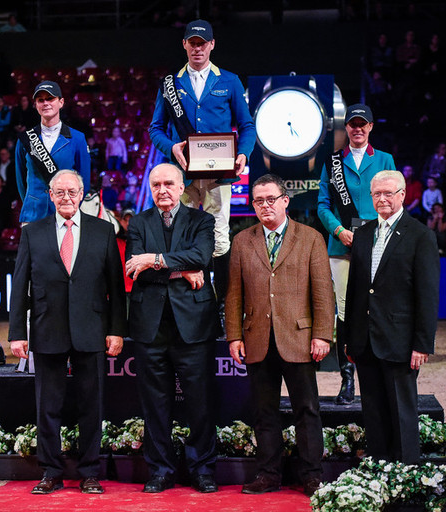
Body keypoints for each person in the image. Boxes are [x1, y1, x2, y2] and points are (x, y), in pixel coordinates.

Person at [9, 169, 126, 495]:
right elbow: (20, 285)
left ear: (81, 193)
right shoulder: (33, 232)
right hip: (47, 330)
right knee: (48, 406)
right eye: (59, 192)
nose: (66, 197)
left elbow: (116, 287)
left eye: (71, 192)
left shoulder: (103, 231)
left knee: (92, 405)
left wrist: (117, 329)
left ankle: (90, 472)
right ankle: (50, 472)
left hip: (92, 330)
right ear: (50, 195)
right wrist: (17, 331)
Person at [225, 173, 334, 497]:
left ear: (285, 201)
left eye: (271, 199)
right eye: (258, 200)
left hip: (300, 339)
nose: (265, 205)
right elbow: (234, 294)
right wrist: (233, 336)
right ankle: (268, 474)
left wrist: (323, 335)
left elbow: (323, 292)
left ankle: (312, 475)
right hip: (257, 339)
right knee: (263, 412)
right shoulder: (242, 241)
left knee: (307, 410)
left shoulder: (311, 237)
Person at [125, 163, 222, 494]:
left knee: (201, 402)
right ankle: (161, 470)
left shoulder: (202, 221)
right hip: (149, 328)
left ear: (182, 188)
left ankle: (202, 468)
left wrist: (155, 259)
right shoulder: (138, 222)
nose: (162, 190)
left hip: (193, 327)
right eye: (156, 185)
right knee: (155, 405)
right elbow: (134, 268)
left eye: (168, 183)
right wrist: (182, 270)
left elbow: (202, 255)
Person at [148, 19, 256, 314]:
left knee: (219, 236)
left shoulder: (230, 81)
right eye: (192, 43)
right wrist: (170, 146)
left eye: (202, 43)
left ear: (212, 45)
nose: (197, 48)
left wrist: (243, 154)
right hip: (180, 175)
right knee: (176, 233)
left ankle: (222, 308)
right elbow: (155, 129)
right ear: (184, 44)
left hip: (218, 175)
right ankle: (177, 301)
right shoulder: (170, 84)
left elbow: (247, 126)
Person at [345, 170, 439, 464]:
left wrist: (422, 344)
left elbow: (427, 294)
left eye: (389, 193)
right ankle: (380, 465)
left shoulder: (421, 235)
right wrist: (349, 339)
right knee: (372, 409)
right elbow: (356, 291)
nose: (382, 199)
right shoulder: (361, 234)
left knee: (402, 410)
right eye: (377, 194)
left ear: (402, 195)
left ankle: (405, 472)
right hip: (365, 340)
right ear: (371, 197)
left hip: (401, 342)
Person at [317, 103, 395, 406]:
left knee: (378, 307)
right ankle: (347, 379)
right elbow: (323, 206)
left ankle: (379, 375)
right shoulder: (333, 161)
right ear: (346, 128)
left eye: (363, 124)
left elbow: (392, 202)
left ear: (371, 127)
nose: (358, 129)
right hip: (342, 247)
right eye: (353, 124)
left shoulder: (386, 159)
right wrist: (340, 231)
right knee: (344, 313)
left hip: (378, 245)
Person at [15, 81, 90, 224]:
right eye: (40, 100)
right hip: (33, 215)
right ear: (36, 105)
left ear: (61, 102)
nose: (45, 103)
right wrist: (34, 201)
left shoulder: (78, 139)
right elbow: (21, 181)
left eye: (50, 98)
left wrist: (70, 210)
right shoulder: (25, 139)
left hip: (65, 217)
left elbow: (84, 182)